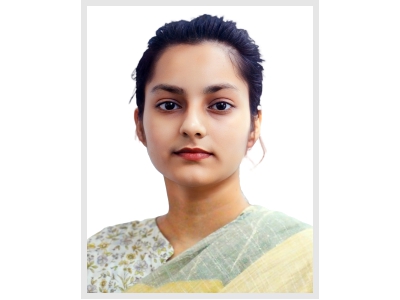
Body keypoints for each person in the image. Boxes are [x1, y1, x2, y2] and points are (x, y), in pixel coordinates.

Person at [87, 14, 313, 293]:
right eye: (169, 105)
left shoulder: (306, 256)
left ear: (254, 126)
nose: (192, 126)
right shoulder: (97, 257)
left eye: (220, 106)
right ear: (140, 124)